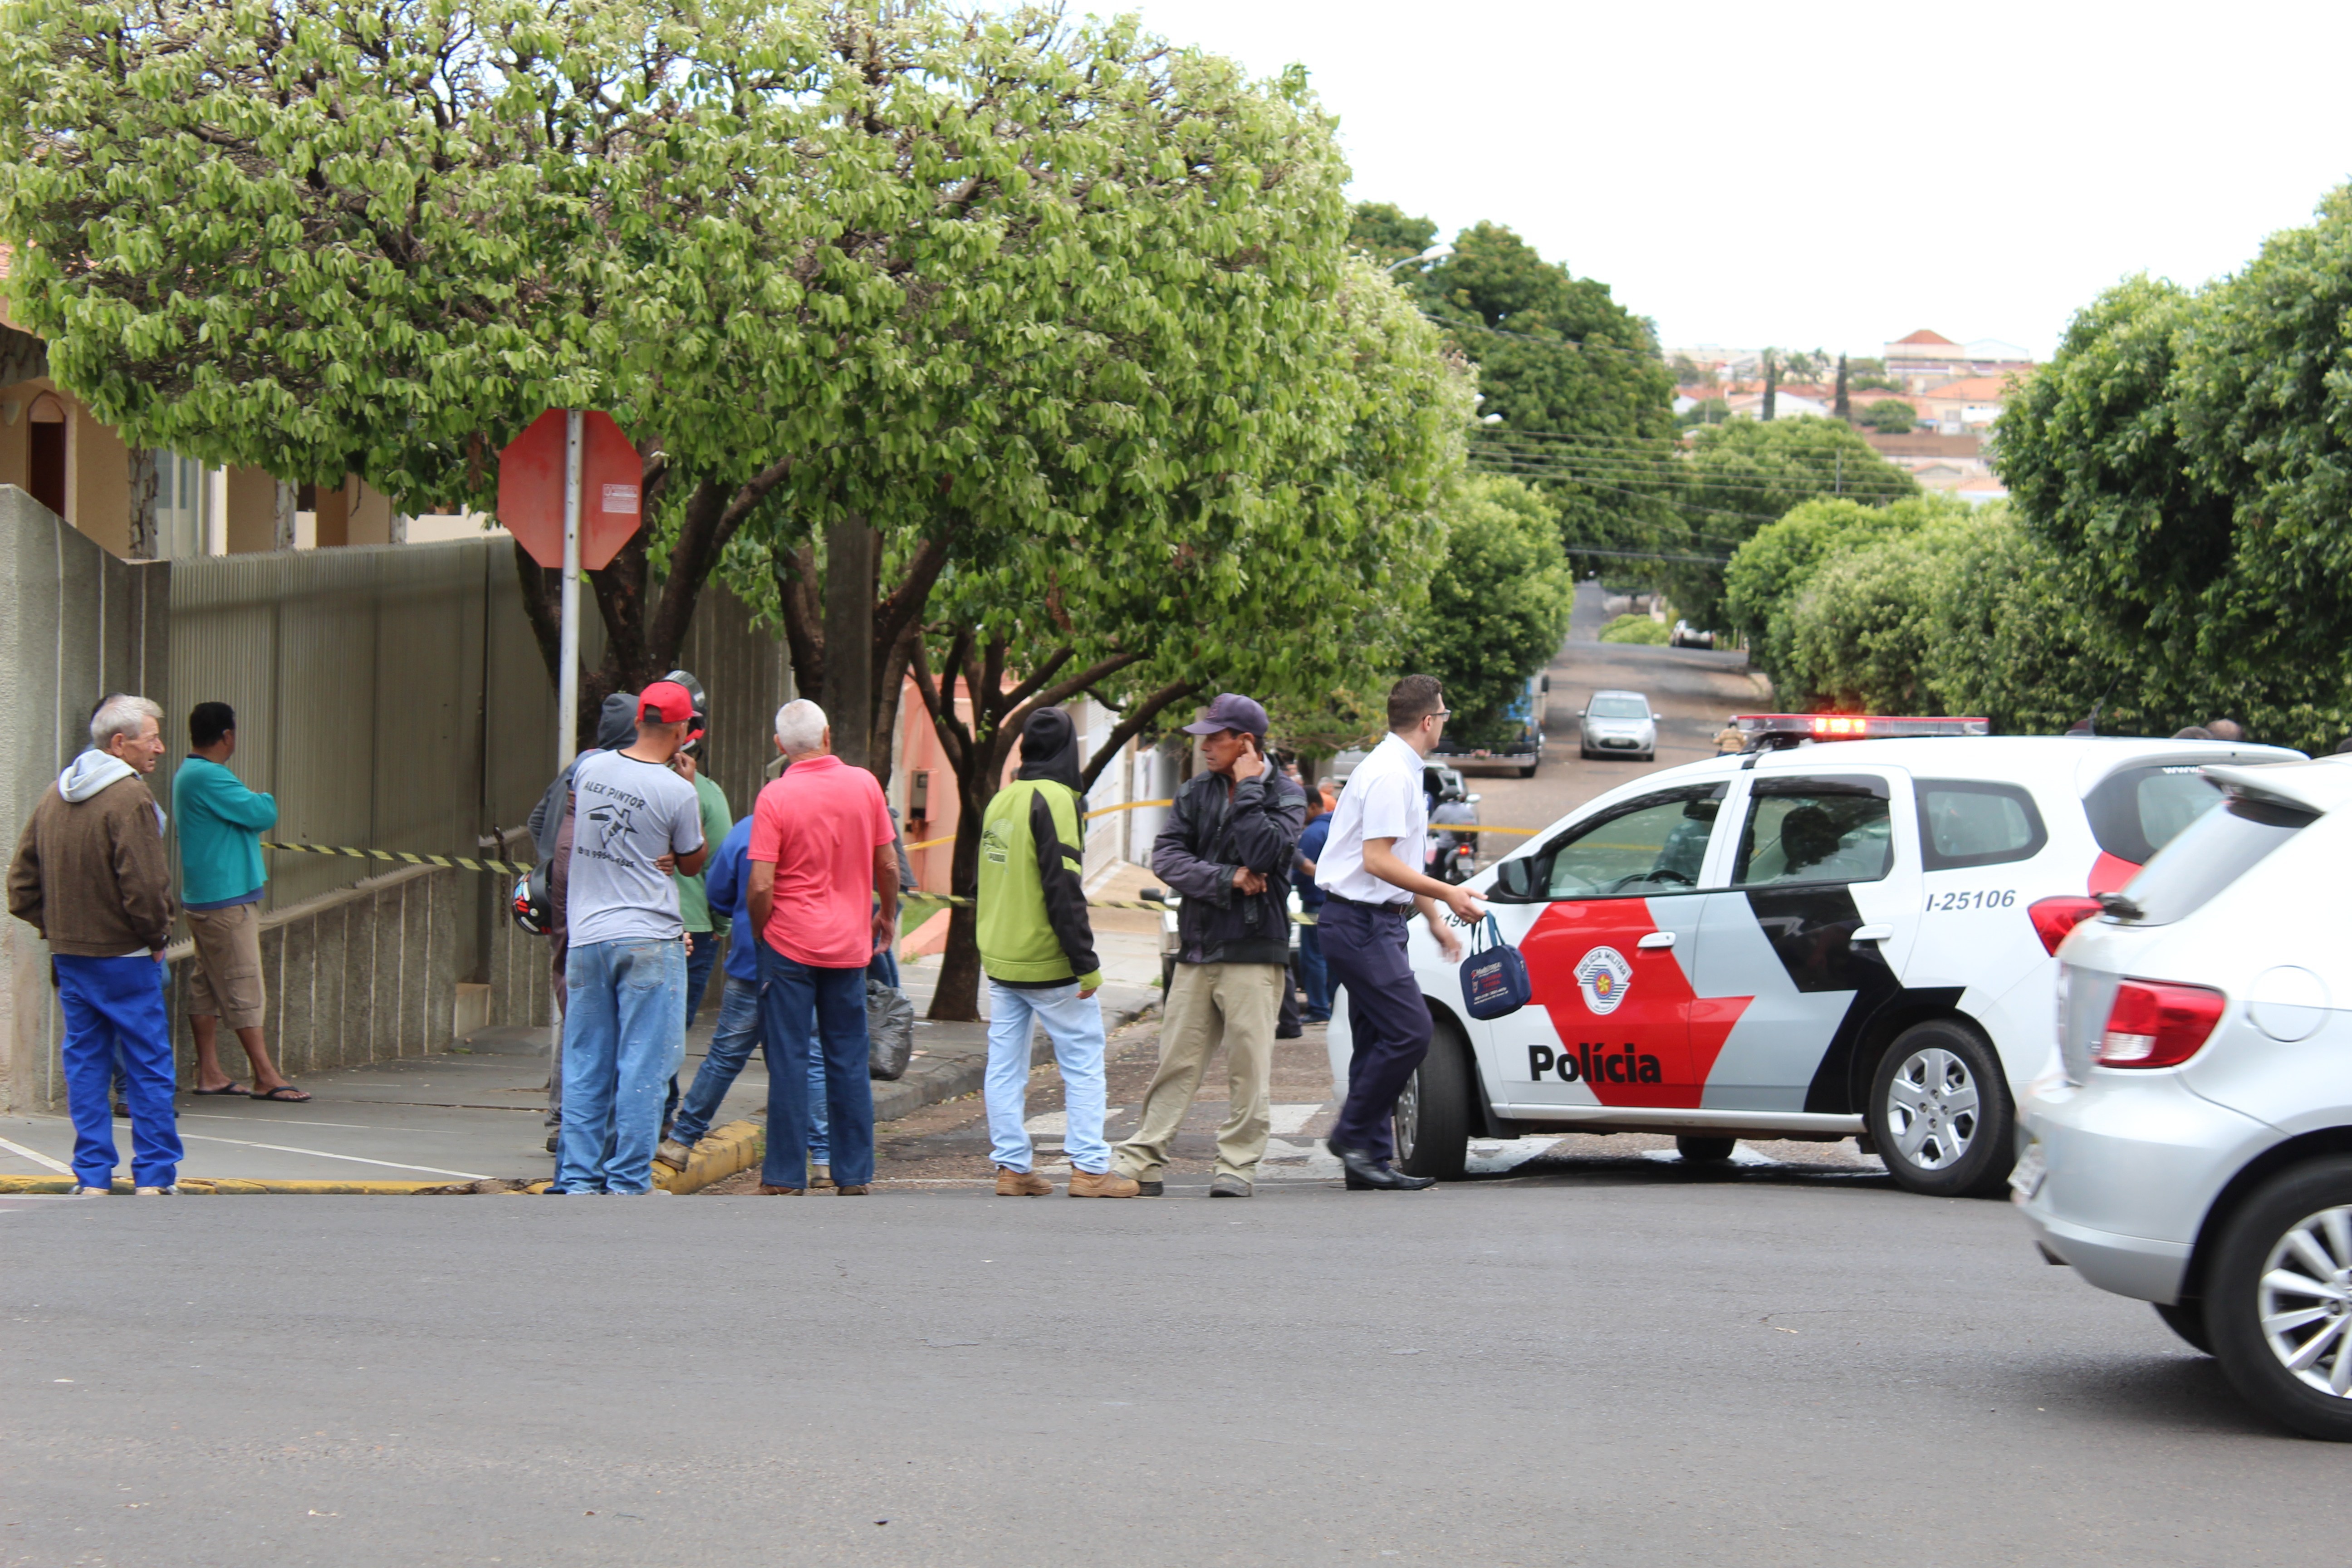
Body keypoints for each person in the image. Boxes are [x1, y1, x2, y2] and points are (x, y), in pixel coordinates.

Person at [1112, 693, 1304, 1199]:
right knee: (1175, 1062)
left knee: (1249, 1070)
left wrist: (1249, 789)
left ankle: (1237, 1166)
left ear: (1246, 743)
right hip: (1197, 948)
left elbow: (1266, 854)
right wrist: (1226, 878)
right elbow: (1167, 857)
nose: (1204, 747)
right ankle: (1142, 1161)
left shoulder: (1285, 795)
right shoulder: (1196, 791)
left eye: (1215, 739)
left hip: (1255, 950)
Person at [1316, 675, 1484, 1192]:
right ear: (1428, 721)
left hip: (1372, 921)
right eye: (1444, 714)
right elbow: (1378, 860)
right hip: (1360, 923)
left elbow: (1399, 864)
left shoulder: (1398, 768)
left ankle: (1366, 1159)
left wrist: (1433, 919)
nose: (1444, 722)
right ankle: (1350, 1136)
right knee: (1411, 1031)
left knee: (1376, 1037)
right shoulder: (1391, 774)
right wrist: (1448, 893)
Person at [8, 696, 181, 1195]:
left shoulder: (54, 796)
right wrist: (157, 937)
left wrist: (59, 928)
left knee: (86, 1063)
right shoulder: (131, 798)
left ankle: (91, 1176)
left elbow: (21, 887)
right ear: (120, 743)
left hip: (71, 956)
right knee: (148, 1063)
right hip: (127, 956)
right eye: (152, 739)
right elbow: (146, 886)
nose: (160, 748)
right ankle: (154, 1176)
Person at [550, 681, 707, 1196]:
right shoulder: (679, 792)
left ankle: (577, 1179)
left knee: (585, 1062)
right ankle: (626, 1182)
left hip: (587, 939)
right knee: (644, 1065)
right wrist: (684, 791)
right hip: (648, 939)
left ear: (639, 719)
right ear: (682, 731)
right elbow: (692, 862)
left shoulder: (589, 769)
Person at [977, 708, 1138, 1199]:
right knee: (1083, 1059)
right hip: (1048, 961)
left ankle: (1012, 1168)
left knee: (1005, 1066)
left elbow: (985, 878)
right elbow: (1063, 886)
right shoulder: (1059, 800)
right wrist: (1086, 963)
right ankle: (1090, 1168)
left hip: (1000, 957)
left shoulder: (1003, 799)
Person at [747, 700, 897, 1196]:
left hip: (789, 943)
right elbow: (888, 865)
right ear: (828, 735)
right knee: (848, 1057)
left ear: (780, 745)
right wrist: (886, 914)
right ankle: (853, 1174)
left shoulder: (774, 796)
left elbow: (761, 884)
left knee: (789, 1059)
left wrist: (762, 931)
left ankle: (784, 1176)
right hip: (849, 946)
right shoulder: (865, 785)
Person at [173, 701, 305, 1102]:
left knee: (207, 985)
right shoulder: (210, 776)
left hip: (204, 897)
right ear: (228, 736)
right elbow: (262, 812)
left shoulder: (189, 773)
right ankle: (265, 1075)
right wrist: (263, 797)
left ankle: (210, 1072)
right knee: (242, 983)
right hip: (226, 899)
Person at [538, 693, 638, 1153]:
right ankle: (580, 1120)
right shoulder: (610, 773)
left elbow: (537, 819)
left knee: (576, 998)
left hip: (565, 897)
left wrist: (550, 864)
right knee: (591, 1006)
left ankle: (567, 1115)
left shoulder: (576, 769)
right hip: (594, 901)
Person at [662, 671, 732, 1029]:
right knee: (671, 1029)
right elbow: (722, 867)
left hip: (626, 922)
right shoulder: (708, 794)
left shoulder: (615, 781)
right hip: (693, 925)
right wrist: (721, 925)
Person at [1292, 785, 1333, 1024]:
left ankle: (1319, 1009)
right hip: (1336, 904)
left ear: (1313, 806)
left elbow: (1299, 871)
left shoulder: (1312, 834)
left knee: (1313, 959)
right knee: (1333, 960)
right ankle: (1334, 1005)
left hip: (1315, 904)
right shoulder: (1336, 828)